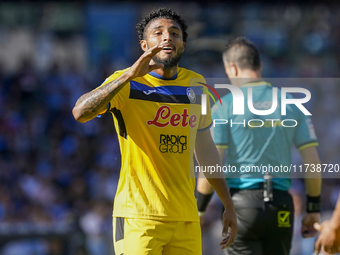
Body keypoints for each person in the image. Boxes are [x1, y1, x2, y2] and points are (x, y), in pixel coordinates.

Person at [72, 8, 237, 255]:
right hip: (138, 216)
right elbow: (80, 112)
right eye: (158, 33)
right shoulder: (127, 84)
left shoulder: (198, 85)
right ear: (144, 44)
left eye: (174, 33)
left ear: (183, 44)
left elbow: (205, 150)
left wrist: (228, 205)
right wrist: (128, 75)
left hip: (186, 218)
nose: (167, 37)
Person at [196, 37, 322, 255]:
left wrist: (199, 209)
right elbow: (312, 163)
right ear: (259, 65)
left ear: (232, 68)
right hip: (282, 204)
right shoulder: (292, 104)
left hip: (241, 206)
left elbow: (211, 165)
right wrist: (312, 210)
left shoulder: (224, 107)